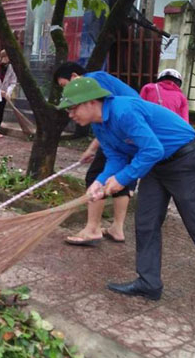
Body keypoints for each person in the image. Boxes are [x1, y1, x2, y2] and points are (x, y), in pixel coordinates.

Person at [57, 77, 195, 311]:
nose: (70, 114)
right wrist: (100, 181)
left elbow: (153, 149)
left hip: (184, 159)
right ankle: (149, 283)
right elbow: (116, 157)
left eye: (72, 108)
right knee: (145, 222)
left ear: (92, 102)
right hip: (157, 163)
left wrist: (122, 179)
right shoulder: (99, 125)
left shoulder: (124, 111)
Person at [55, 62, 139, 246]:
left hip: (127, 133)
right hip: (129, 134)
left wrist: (92, 149)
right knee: (118, 178)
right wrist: (92, 149)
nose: (67, 91)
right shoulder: (100, 79)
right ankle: (117, 228)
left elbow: (106, 116)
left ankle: (92, 229)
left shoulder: (91, 81)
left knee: (96, 176)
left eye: (65, 85)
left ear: (75, 76)